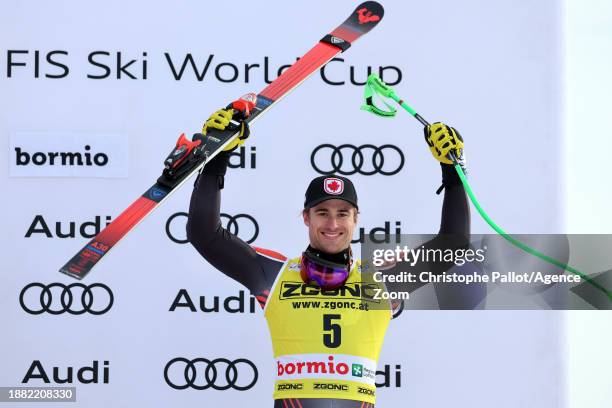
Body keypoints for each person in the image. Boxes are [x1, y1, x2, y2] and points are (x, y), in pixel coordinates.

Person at [187, 104, 470, 408]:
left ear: (355, 218)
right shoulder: (273, 274)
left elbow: (452, 247)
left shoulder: (382, 281)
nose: (332, 224)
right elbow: (204, 233)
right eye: (322, 213)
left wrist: (453, 170)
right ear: (306, 217)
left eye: (342, 214)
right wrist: (216, 157)